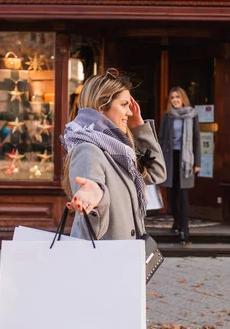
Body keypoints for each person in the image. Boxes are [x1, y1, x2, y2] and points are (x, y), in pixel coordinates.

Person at [61, 68, 166, 241]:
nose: (130, 112)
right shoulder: (88, 150)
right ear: (102, 107)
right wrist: (96, 196)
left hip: (125, 256)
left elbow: (156, 173)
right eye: (124, 105)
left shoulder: (120, 151)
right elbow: (90, 224)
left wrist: (139, 128)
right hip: (108, 261)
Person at [158, 86, 201, 244]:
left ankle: (184, 230)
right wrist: (159, 160)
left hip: (185, 160)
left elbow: (196, 139)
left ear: (183, 99)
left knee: (182, 196)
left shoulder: (192, 115)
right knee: (171, 195)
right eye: (172, 98)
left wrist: (197, 162)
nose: (175, 100)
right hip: (169, 159)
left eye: (177, 97)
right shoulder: (167, 116)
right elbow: (161, 139)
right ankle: (176, 221)